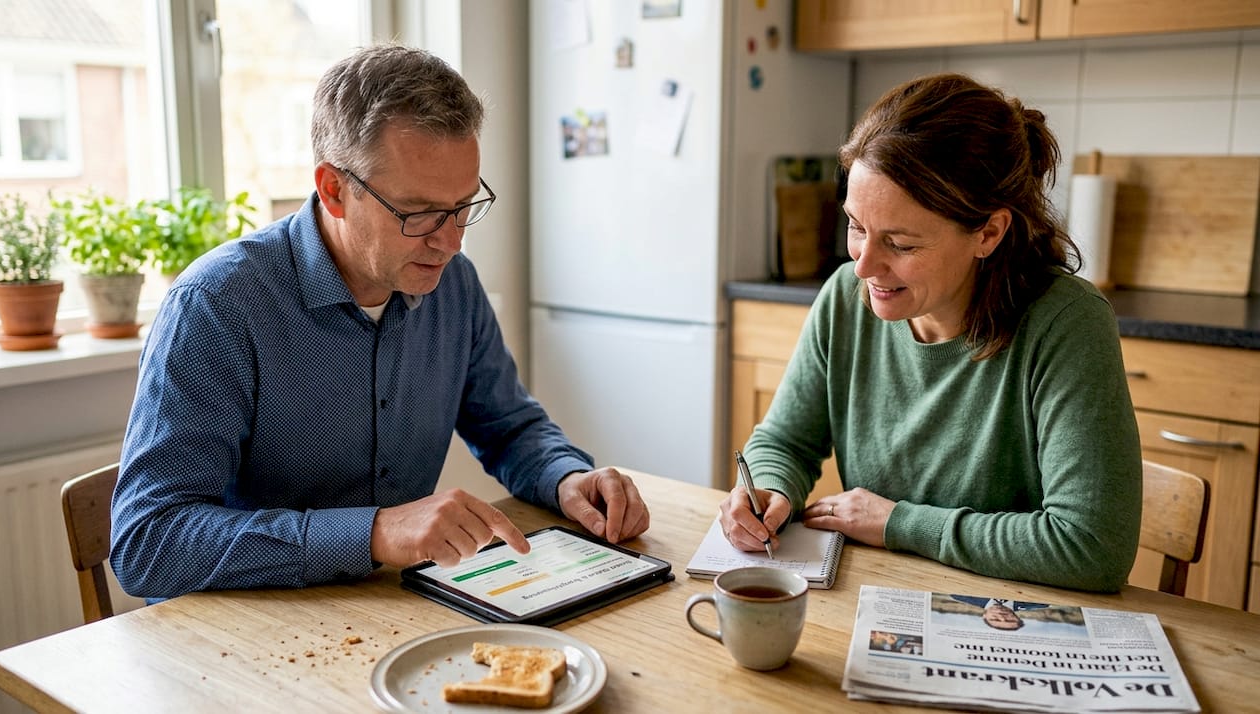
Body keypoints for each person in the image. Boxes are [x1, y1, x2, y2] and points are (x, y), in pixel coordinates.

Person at [110, 44, 650, 599]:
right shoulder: (218, 305)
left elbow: (509, 427)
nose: (450, 240)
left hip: (382, 609)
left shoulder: (453, 284)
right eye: (419, 213)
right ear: (334, 189)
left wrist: (567, 479)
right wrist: (373, 533)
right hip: (239, 637)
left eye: (464, 206)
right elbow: (147, 542)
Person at [718, 72, 1141, 593]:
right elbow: (784, 440)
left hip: (1011, 618)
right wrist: (766, 487)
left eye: (900, 243)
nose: (863, 265)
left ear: (988, 232)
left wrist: (899, 524)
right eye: (856, 226)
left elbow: (1091, 547)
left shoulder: (1066, 322)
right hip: (884, 597)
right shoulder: (844, 300)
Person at [949, 596, 1049, 631]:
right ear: (1018, 618)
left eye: (995, 619)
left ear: (984, 616)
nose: (1002, 617)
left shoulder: (959, 595)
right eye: (1009, 620)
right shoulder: (1041, 602)